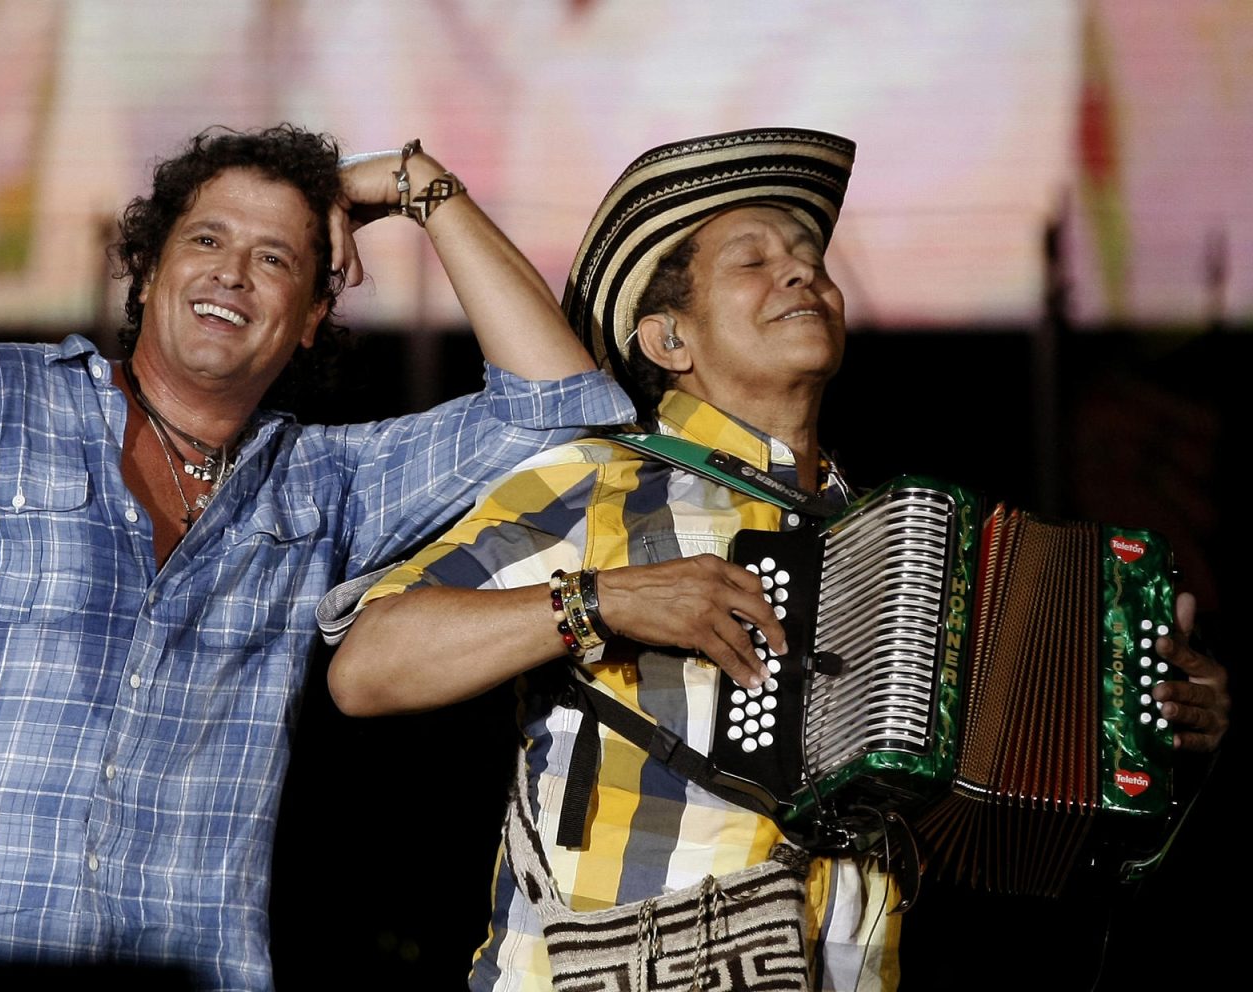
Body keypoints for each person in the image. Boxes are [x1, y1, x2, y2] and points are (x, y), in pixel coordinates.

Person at [0, 123, 635, 991]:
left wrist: (416, 185)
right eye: (207, 240)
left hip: (180, 962)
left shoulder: (320, 483)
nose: (234, 274)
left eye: (276, 259)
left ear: (314, 314)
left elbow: (562, 408)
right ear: (150, 270)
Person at [325, 127, 1232, 991]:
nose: (804, 270)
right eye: (754, 260)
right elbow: (368, 665)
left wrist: (1140, 713)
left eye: (811, 259)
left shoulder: (890, 546)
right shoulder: (604, 480)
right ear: (668, 340)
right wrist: (599, 603)